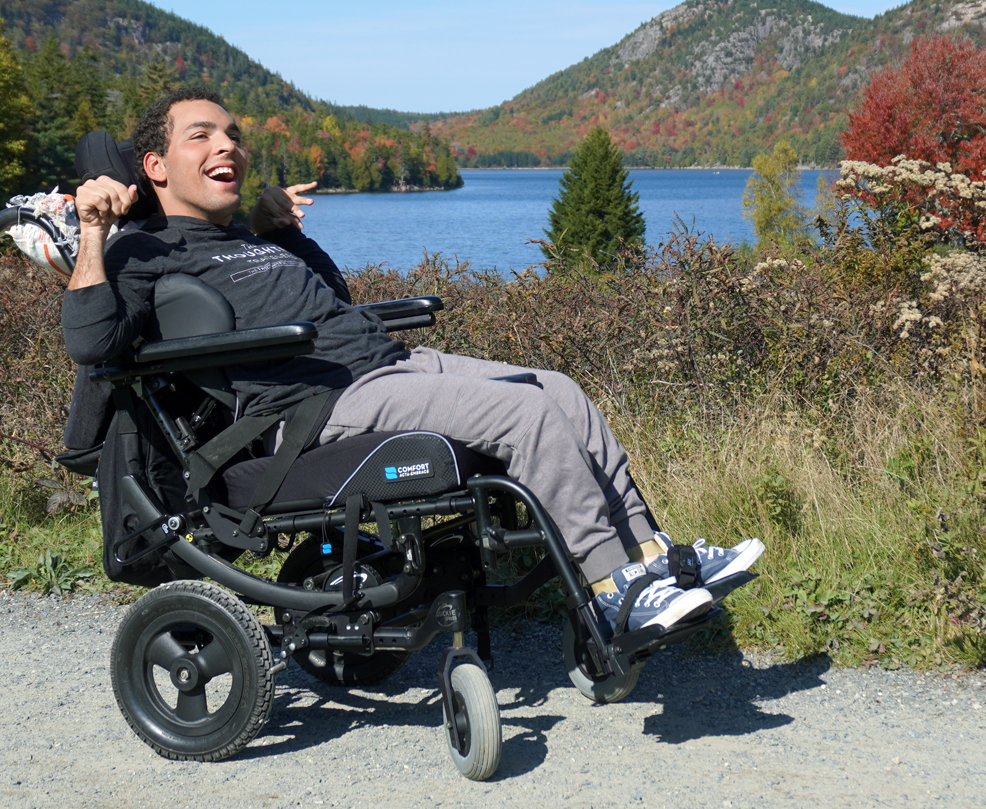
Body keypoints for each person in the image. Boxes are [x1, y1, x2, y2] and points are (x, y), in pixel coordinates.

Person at [62, 86, 763, 632]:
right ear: (154, 166)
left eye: (234, 135)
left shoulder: (247, 236)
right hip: (317, 406)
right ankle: (613, 592)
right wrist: (94, 233)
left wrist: (284, 234)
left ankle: (653, 558)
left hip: (379, 366)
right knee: (523, 413)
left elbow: (329, 304)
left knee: (561, 390)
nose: (229, 146)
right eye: (203, 135)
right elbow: (93, 346)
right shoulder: (141, 251)